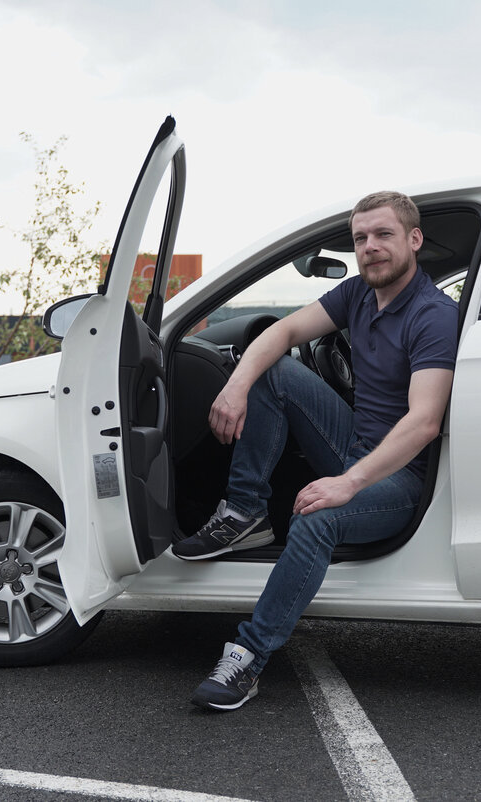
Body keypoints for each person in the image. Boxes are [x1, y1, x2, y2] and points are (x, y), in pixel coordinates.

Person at [173, 190, 459, 711]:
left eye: (384, 234)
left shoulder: (433, 316)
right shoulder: (358, 294)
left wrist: (348, 483)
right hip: (353, 446)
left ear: (414, 239)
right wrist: (235, 386)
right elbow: (283, 331)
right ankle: (245, 512)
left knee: (314, 516)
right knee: (274, 371)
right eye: (361, 238)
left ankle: (247, 657)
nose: (370, 247)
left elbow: (423, 423)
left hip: (399, 478)